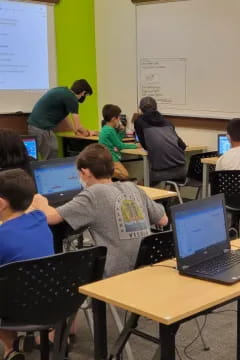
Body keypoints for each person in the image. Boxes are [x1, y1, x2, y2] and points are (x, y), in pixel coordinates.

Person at [32, 144, 168, 277]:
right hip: (145, 271)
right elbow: (163, 220)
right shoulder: (133, 187)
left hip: (114, 276)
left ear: (85, 172)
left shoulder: (93, 194)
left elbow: (51, 217)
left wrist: (39, 201)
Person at [0, 169, 54, 360]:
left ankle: (10, 347)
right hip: (51, 301)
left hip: (14, 308)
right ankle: (19, 345)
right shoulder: (39, 219)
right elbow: (41, 204)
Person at [28, 79, 94, 160]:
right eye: (86, 95)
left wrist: (74, 130)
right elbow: (78, 126)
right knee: (51, 158)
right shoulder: (72, 98)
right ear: (83, 92)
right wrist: (88, 133)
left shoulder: (63, 92)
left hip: (36, 126)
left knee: (52, 151)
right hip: (42, 128)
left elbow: (65, 117)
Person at [134, 96, 187, 184]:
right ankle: (171, 198)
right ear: (156, 108)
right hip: (182, 171)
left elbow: (145, 146)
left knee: (141, 185)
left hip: (160, 172)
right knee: (174, 184)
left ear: (140, 109)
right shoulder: (167, 122)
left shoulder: (139, 122)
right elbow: (183, 146)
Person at [99, 104, 138, 180]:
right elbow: (120, 146)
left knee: (122, 175)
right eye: (119, 118)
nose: (119, 120)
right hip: (111, 157)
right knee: (125, 175)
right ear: (114, 119)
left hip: (107, 156)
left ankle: (107, 173)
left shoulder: (106, 128)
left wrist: (122, 131)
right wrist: (136, 146)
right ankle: (107, 172)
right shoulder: (110, 130)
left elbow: (117, 141)